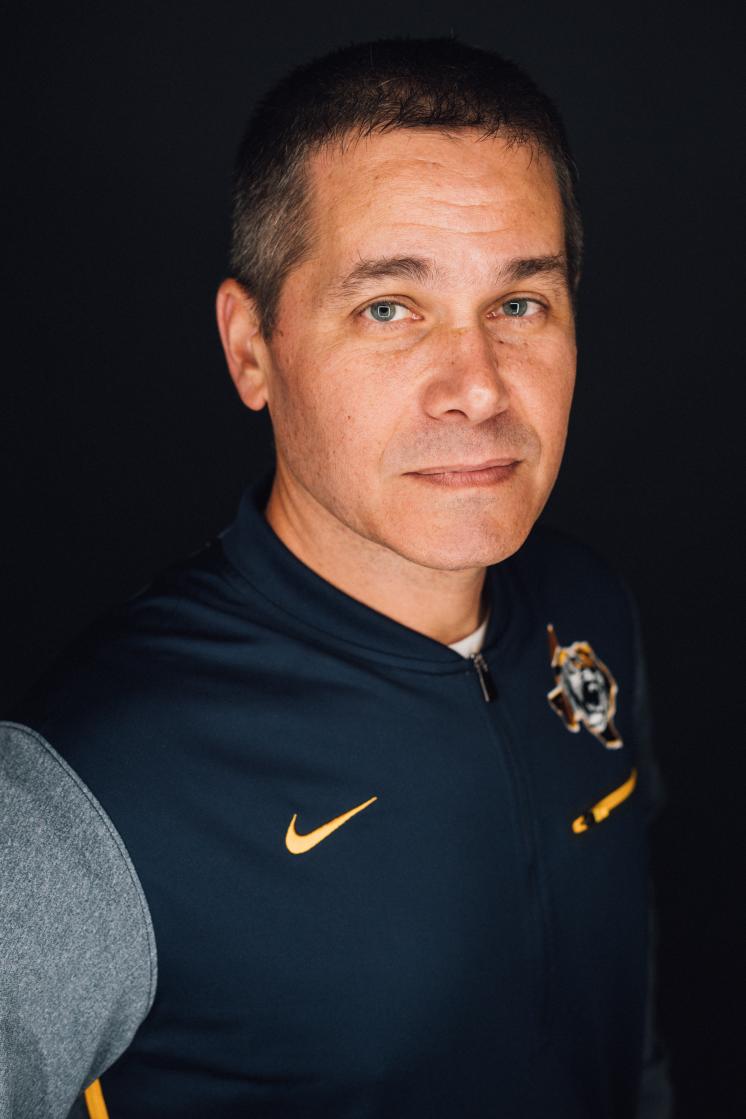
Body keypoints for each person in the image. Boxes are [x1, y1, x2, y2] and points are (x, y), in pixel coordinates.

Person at [0, 36, 671, 1119]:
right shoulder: (79, 797)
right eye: (388, 310)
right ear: (250, 348)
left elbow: (621, 1038)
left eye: (518, 305)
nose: (476, 389)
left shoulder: (590, 614)